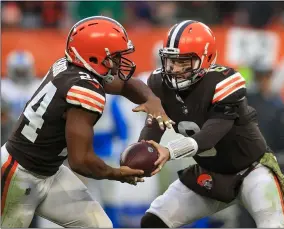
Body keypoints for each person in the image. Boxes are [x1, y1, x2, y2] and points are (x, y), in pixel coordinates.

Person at [1, 16, 174, 228]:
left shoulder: (69, 66)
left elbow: (124, 85)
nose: (120, 61)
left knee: (99, 226)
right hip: (18, 174)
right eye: (116, 56)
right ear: (94, 57)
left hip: (50, 171)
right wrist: (117, 173)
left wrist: (152, 99)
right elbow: (80, 161)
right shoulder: (85, 91)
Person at [138, 20, 284, 228]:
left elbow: (209, 136)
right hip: (210, 174)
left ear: (205, 60)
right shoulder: (158, 83)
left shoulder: (225, 81)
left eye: (184, 62)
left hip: (252, 171)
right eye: (171, 61)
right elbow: (154, 127)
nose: (175, 69)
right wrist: (141, 155)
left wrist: (169, 151)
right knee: (154, 220)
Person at [1, 50, 41, 122]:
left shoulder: (39, 85)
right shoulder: (3, 86)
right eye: (18, 72)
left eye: (24, 72)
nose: (21, 76)